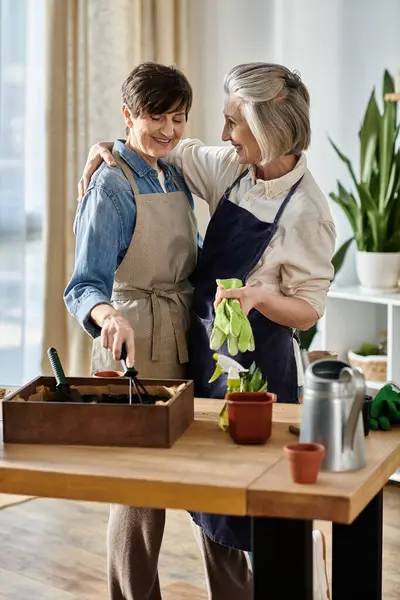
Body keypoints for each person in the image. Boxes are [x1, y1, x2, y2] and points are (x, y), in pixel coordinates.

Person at [78, 62, 335, 600]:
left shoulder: (307, 209)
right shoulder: (227, 166)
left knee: (253, 499)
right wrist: (110, 146)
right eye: (220, 121)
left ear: (265, 130)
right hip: (190, 349)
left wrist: (262, 297)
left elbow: (310, 307)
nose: (221, 134)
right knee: (195, 499)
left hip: (256, 367)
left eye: (233, 123)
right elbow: (152, 148)